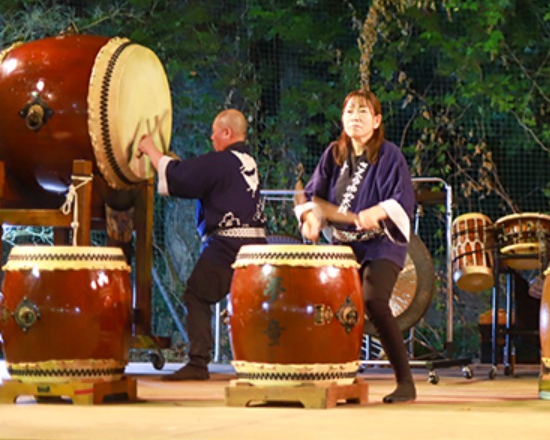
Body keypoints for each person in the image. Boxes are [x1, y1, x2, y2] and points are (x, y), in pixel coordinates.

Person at [295, 89, 418, 404]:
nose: (355, 117)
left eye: (363, 111)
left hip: (381, 244)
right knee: (332, 307)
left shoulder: (389, 155)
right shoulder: (333, 154)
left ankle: (405, 382)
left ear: (376, 121)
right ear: (342, 118)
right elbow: (311, 197)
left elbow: (401, 199)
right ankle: (337, 375)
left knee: (374, 301)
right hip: (343, 246)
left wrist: (378, 211)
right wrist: (311, 220)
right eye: (350, 111)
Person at [138, 109, 267, 381]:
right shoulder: (247, 161)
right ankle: (258, 358)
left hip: (228, 246)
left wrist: (150, 149)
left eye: (214, 132)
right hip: (255, 246)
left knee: (196, 295)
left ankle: (198, 362)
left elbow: (181, 176)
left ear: (227, 133)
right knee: (246, 304)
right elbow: (196, 177)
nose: (211, 137)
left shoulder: (223, 161)